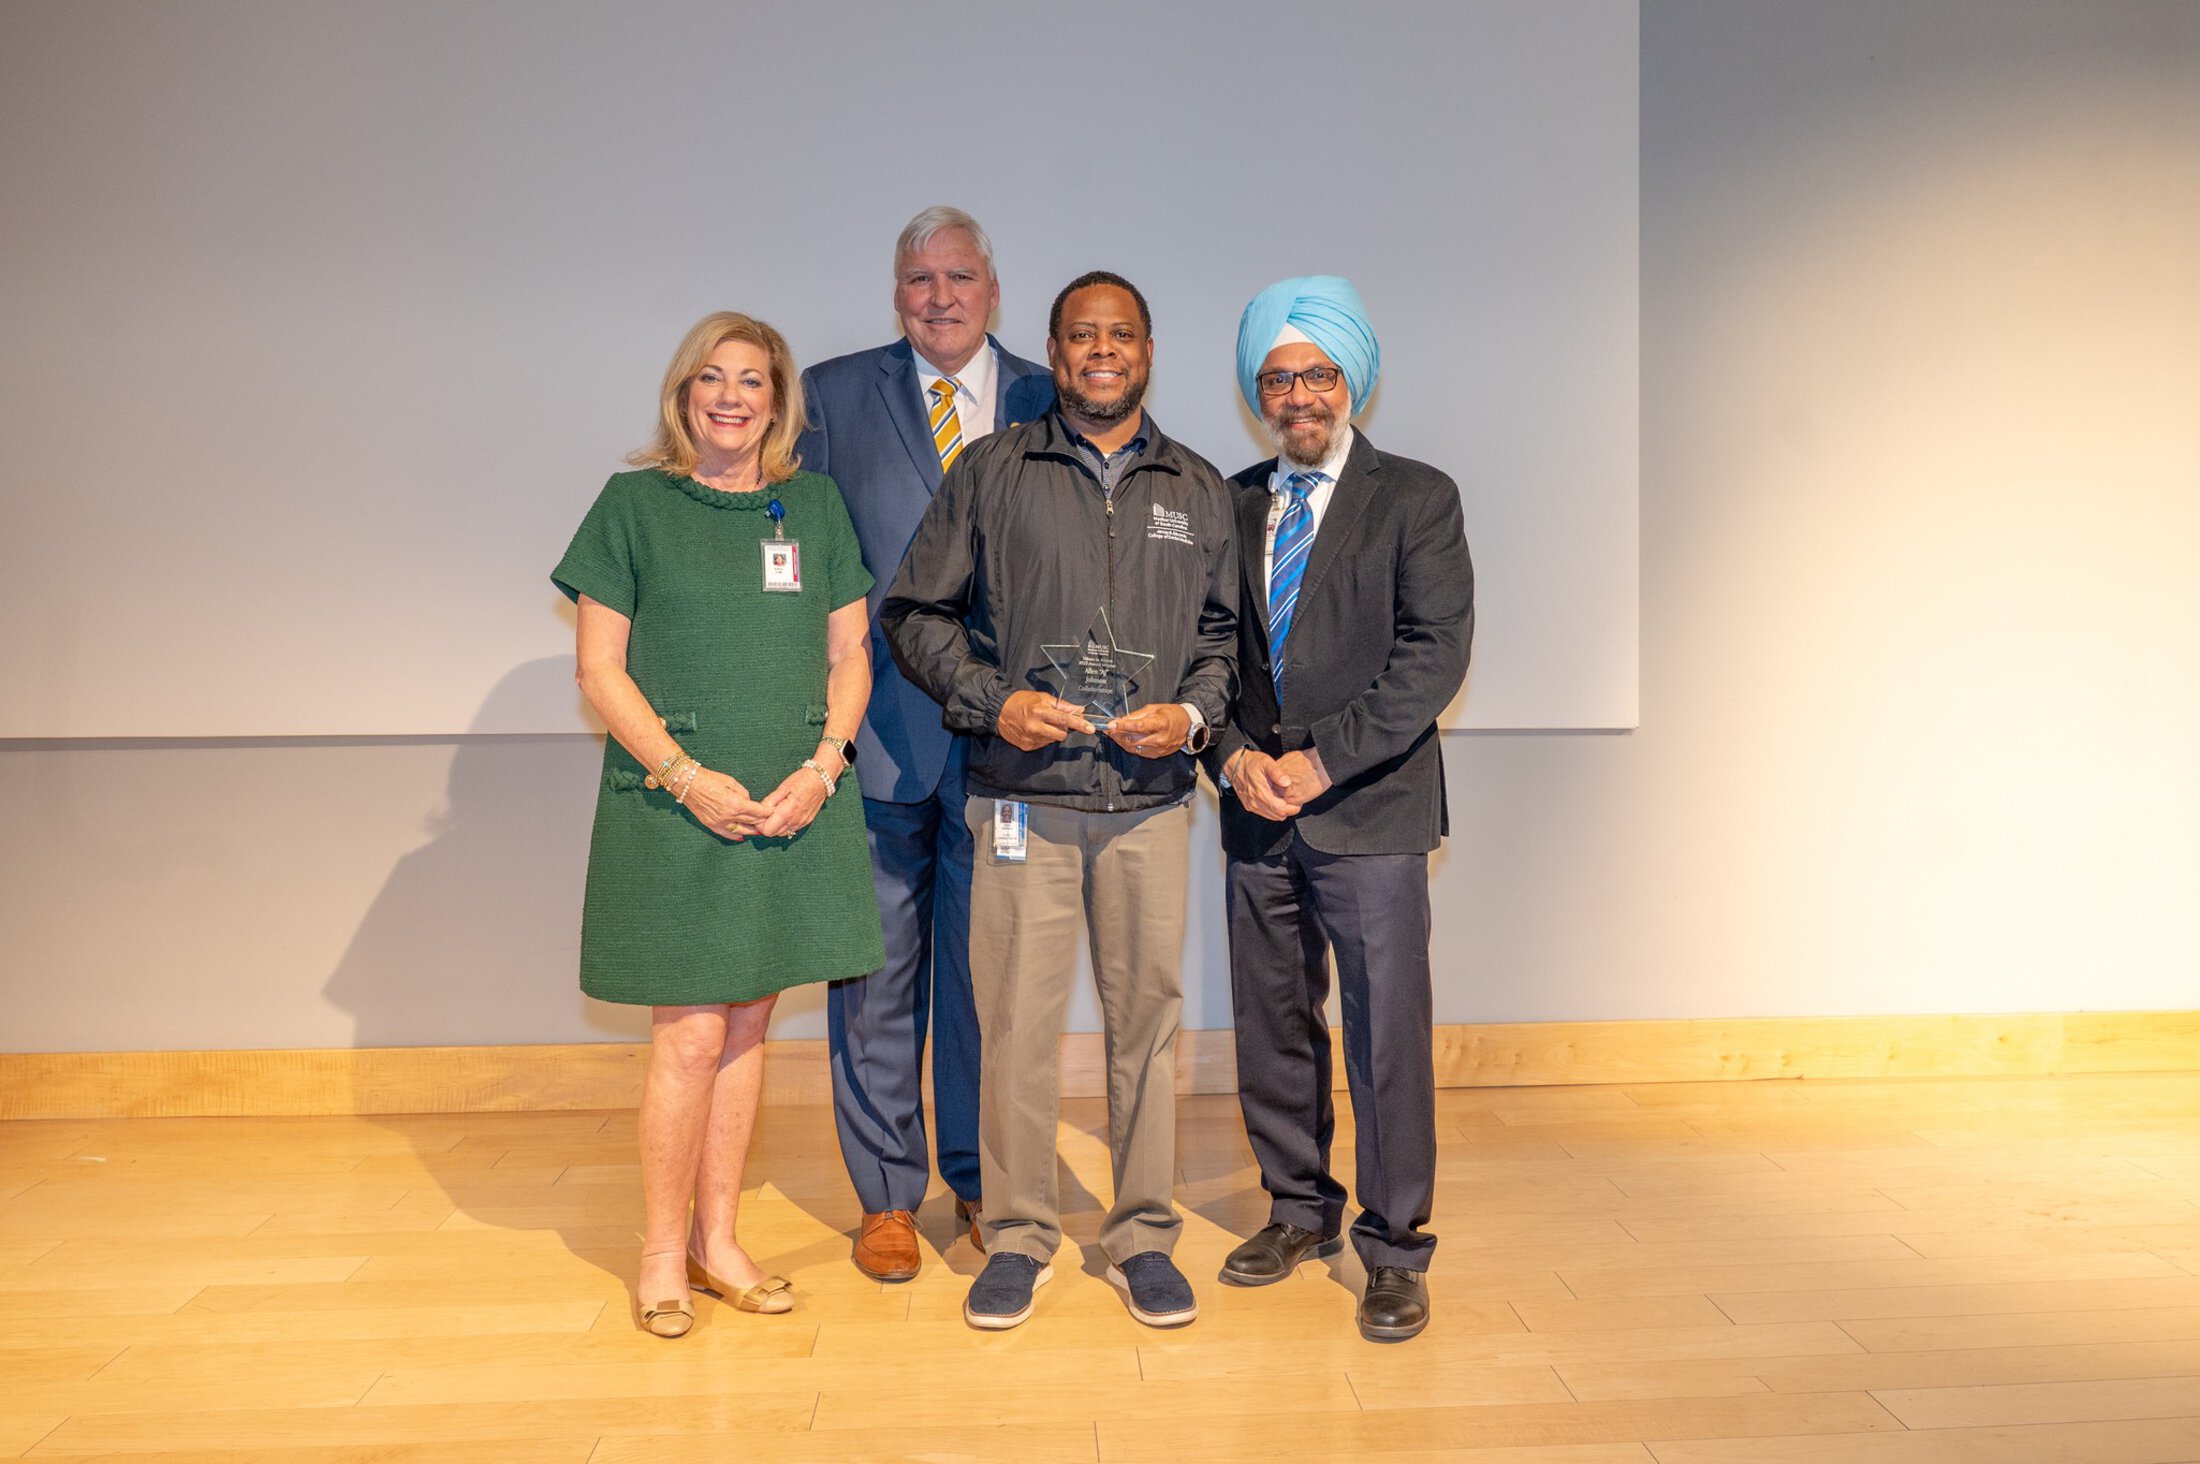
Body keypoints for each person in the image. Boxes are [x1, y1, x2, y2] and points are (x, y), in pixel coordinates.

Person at [881, 271, 1237, 1331]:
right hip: (1019, 802)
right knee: (1017, 1031)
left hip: (1149, 802)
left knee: (1146, 1029)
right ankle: (1021, 1234)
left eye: (1119, 334)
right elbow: (914, 612)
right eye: (1081, 334)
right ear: (1053, 346)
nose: (1100, 350)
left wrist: (1194, 720)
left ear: (1147, 349)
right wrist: (995, 703)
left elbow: (1223, 644)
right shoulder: (992, 471)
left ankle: (1139, 1236)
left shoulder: (1199, 488)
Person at [552, 311, 884, 1337]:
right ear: (684, 393)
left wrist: (825, 768)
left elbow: (850, 656)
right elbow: (599, 671)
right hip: (675, 808)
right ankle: (659, 1252)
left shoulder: (813, 507)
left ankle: (720, 1241)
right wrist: (688, 776)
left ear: (779, 404)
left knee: (748, 1029)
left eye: (753, 380)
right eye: (713, 377)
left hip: (793, 805)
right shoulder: (632, 506)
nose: (731, 396)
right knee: (690, 1036)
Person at [1209, 276, 1474, 1343]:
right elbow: (1208, 657)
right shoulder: (1226, 502)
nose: (1298, 394)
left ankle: (1396, 1248)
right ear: (1256, 395)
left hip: (1370, 811)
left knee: (1384, 1040)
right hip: (1253, 812)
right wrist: (1229, 757)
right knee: (1273, 1029)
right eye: (1277, 379)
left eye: (1316, 373)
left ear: (1349, 378)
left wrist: (1319, 766)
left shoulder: (1417, 496)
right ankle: (1296, 1209)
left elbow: (1433, 658)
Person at [795, 207, 1054, 1281]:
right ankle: (887, 1198)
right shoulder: (832, 395)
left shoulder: (1052, 394)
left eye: (957, 277)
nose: (937, 296)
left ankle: (983, 1185)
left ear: (992, 288)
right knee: (874, 979)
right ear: (894, 294)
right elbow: (804, 560)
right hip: (876, 740)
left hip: (1011, 745)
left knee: (989, 979)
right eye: (916, 281)